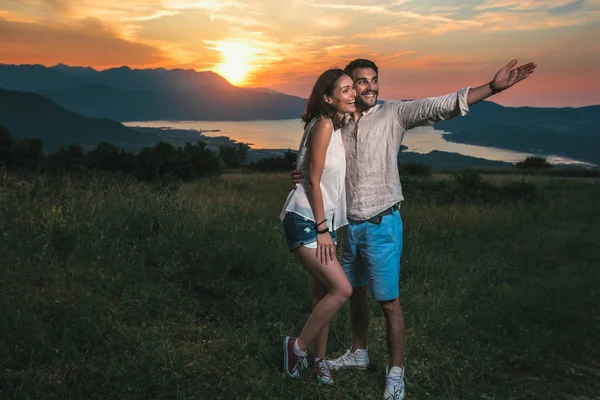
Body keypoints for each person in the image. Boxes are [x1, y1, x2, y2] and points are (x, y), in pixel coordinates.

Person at [292, 58, 537, 399]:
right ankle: (359, 353)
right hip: (349, 226)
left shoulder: (394, 114)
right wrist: (301, 174)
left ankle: (395, 371)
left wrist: (492, 87)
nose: (370, 87)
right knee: (355, 293)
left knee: (389, 303)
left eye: (374, 80)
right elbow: (317, 159)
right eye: (360, 82)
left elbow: (441, 106)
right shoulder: (339, 121)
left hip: (383, 225)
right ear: (348, 87)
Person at [280, 68, 357, 385]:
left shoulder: (332, 123)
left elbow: (305, 167)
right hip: (308, 221)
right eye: (346, 89)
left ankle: (320, 361)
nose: (352, 93)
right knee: (342, 289)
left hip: (320, 220)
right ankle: (296, 348)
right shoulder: (324, 124)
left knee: (322, 294)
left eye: (354, 88)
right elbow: (311, 179)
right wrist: (324, 230)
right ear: (328, 98)